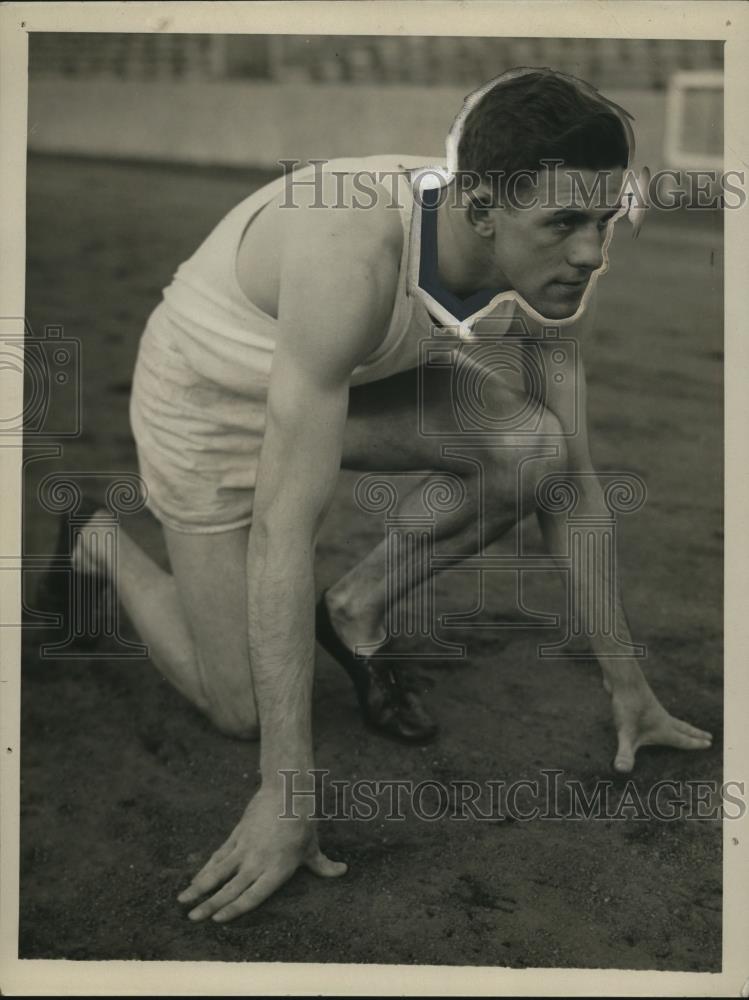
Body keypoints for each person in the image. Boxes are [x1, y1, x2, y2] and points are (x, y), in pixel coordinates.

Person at [50, 68, 713, 924]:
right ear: (479, 210)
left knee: (533, 449)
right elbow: (284, 530)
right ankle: (97, 537)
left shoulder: (560, 265)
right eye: (563, 225)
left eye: (603, 219)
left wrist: (628, 684)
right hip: (208, 399)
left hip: (342, 377)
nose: (590, 252)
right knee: (239, 709)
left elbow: (571, 480)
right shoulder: (351, 251)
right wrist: (288, 793)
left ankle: (356, 609)